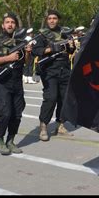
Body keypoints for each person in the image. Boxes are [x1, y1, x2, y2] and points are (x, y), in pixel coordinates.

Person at [0, 12, 31, 155]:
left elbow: (26, 62)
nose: (10, 24)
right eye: (7, 22)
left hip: (17, 81)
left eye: (12, 22)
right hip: (2, 81)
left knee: (17, 114)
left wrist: (28, 51)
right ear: (3, 25)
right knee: (5, 113)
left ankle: (10, 140)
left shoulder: (20, 41)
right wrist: (8, 58)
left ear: (15, 25)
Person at [32, 10, 75, 141]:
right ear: (46, 20)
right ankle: (43, 126)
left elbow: (70, 50)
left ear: (58, 20)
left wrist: (71, 46)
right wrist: (51, 49)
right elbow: (36, 50)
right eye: (49, 18)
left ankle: (60, 125)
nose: (52, 20)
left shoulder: (65, 33)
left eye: (54, 18)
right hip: (49, 70)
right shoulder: (41, 35)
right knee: (51, 98)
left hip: (65, 69)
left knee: (64, 98)